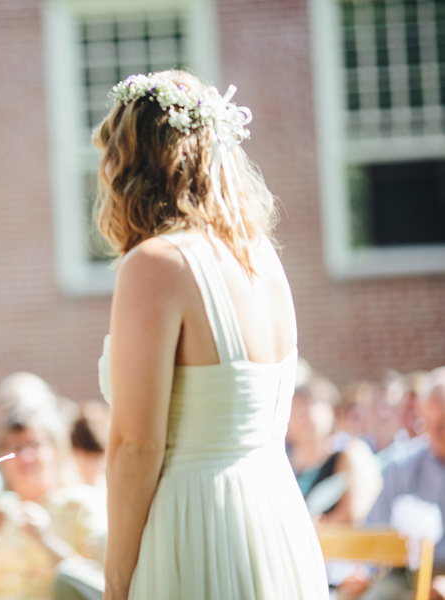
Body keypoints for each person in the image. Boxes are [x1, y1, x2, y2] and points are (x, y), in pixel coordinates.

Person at [95, 71, 328, 598]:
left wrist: (115, 580)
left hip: (197, 519)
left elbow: (136, 446)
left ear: (132, 161)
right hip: (276, 517)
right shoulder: (262, 257)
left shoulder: (156, 264)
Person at [0, 405, 106, 600]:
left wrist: (47, 541)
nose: (25, 457)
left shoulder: (84, 504)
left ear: (55, 449)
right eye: (16, 448)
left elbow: (97, 586)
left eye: (34, 445)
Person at [338, 367, 445, 600]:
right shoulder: (402, 468)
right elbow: (373, 535)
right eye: (438, 427)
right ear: (423, 422)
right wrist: (360, 572)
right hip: (404, 578)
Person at [286, 375, 381, 523]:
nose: (301, 417)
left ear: (331, 410)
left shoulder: (350, 453)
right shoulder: (284, 464)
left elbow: (353, 515)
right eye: (295, 409)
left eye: (307, 406)